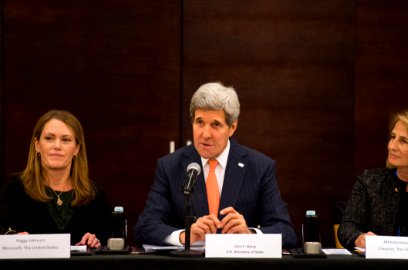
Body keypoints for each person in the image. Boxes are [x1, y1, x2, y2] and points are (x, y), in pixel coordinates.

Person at [134, 82, 298, 249]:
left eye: (215, 124)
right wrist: (186, 236)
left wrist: (249, 235)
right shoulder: (169, 166)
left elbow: (286, 232)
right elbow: (145, 227)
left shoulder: (259, 167)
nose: (205, 134)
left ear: (232, 127)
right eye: (200, 122)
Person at [338, 110, 408, 251]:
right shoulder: (369, 182)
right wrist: (359, 238)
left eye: (403, 141)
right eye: (393, 137)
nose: (391, 146)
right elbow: (347, 228)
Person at [0, 109, 111, 248]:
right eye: (49, 138)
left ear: (76, 148)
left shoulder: (94, 194)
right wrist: (12, 238)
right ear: (37, 145)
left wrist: (96, 241)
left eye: (65, 140)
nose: (57, 146)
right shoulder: (15, 188)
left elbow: (109, 244)